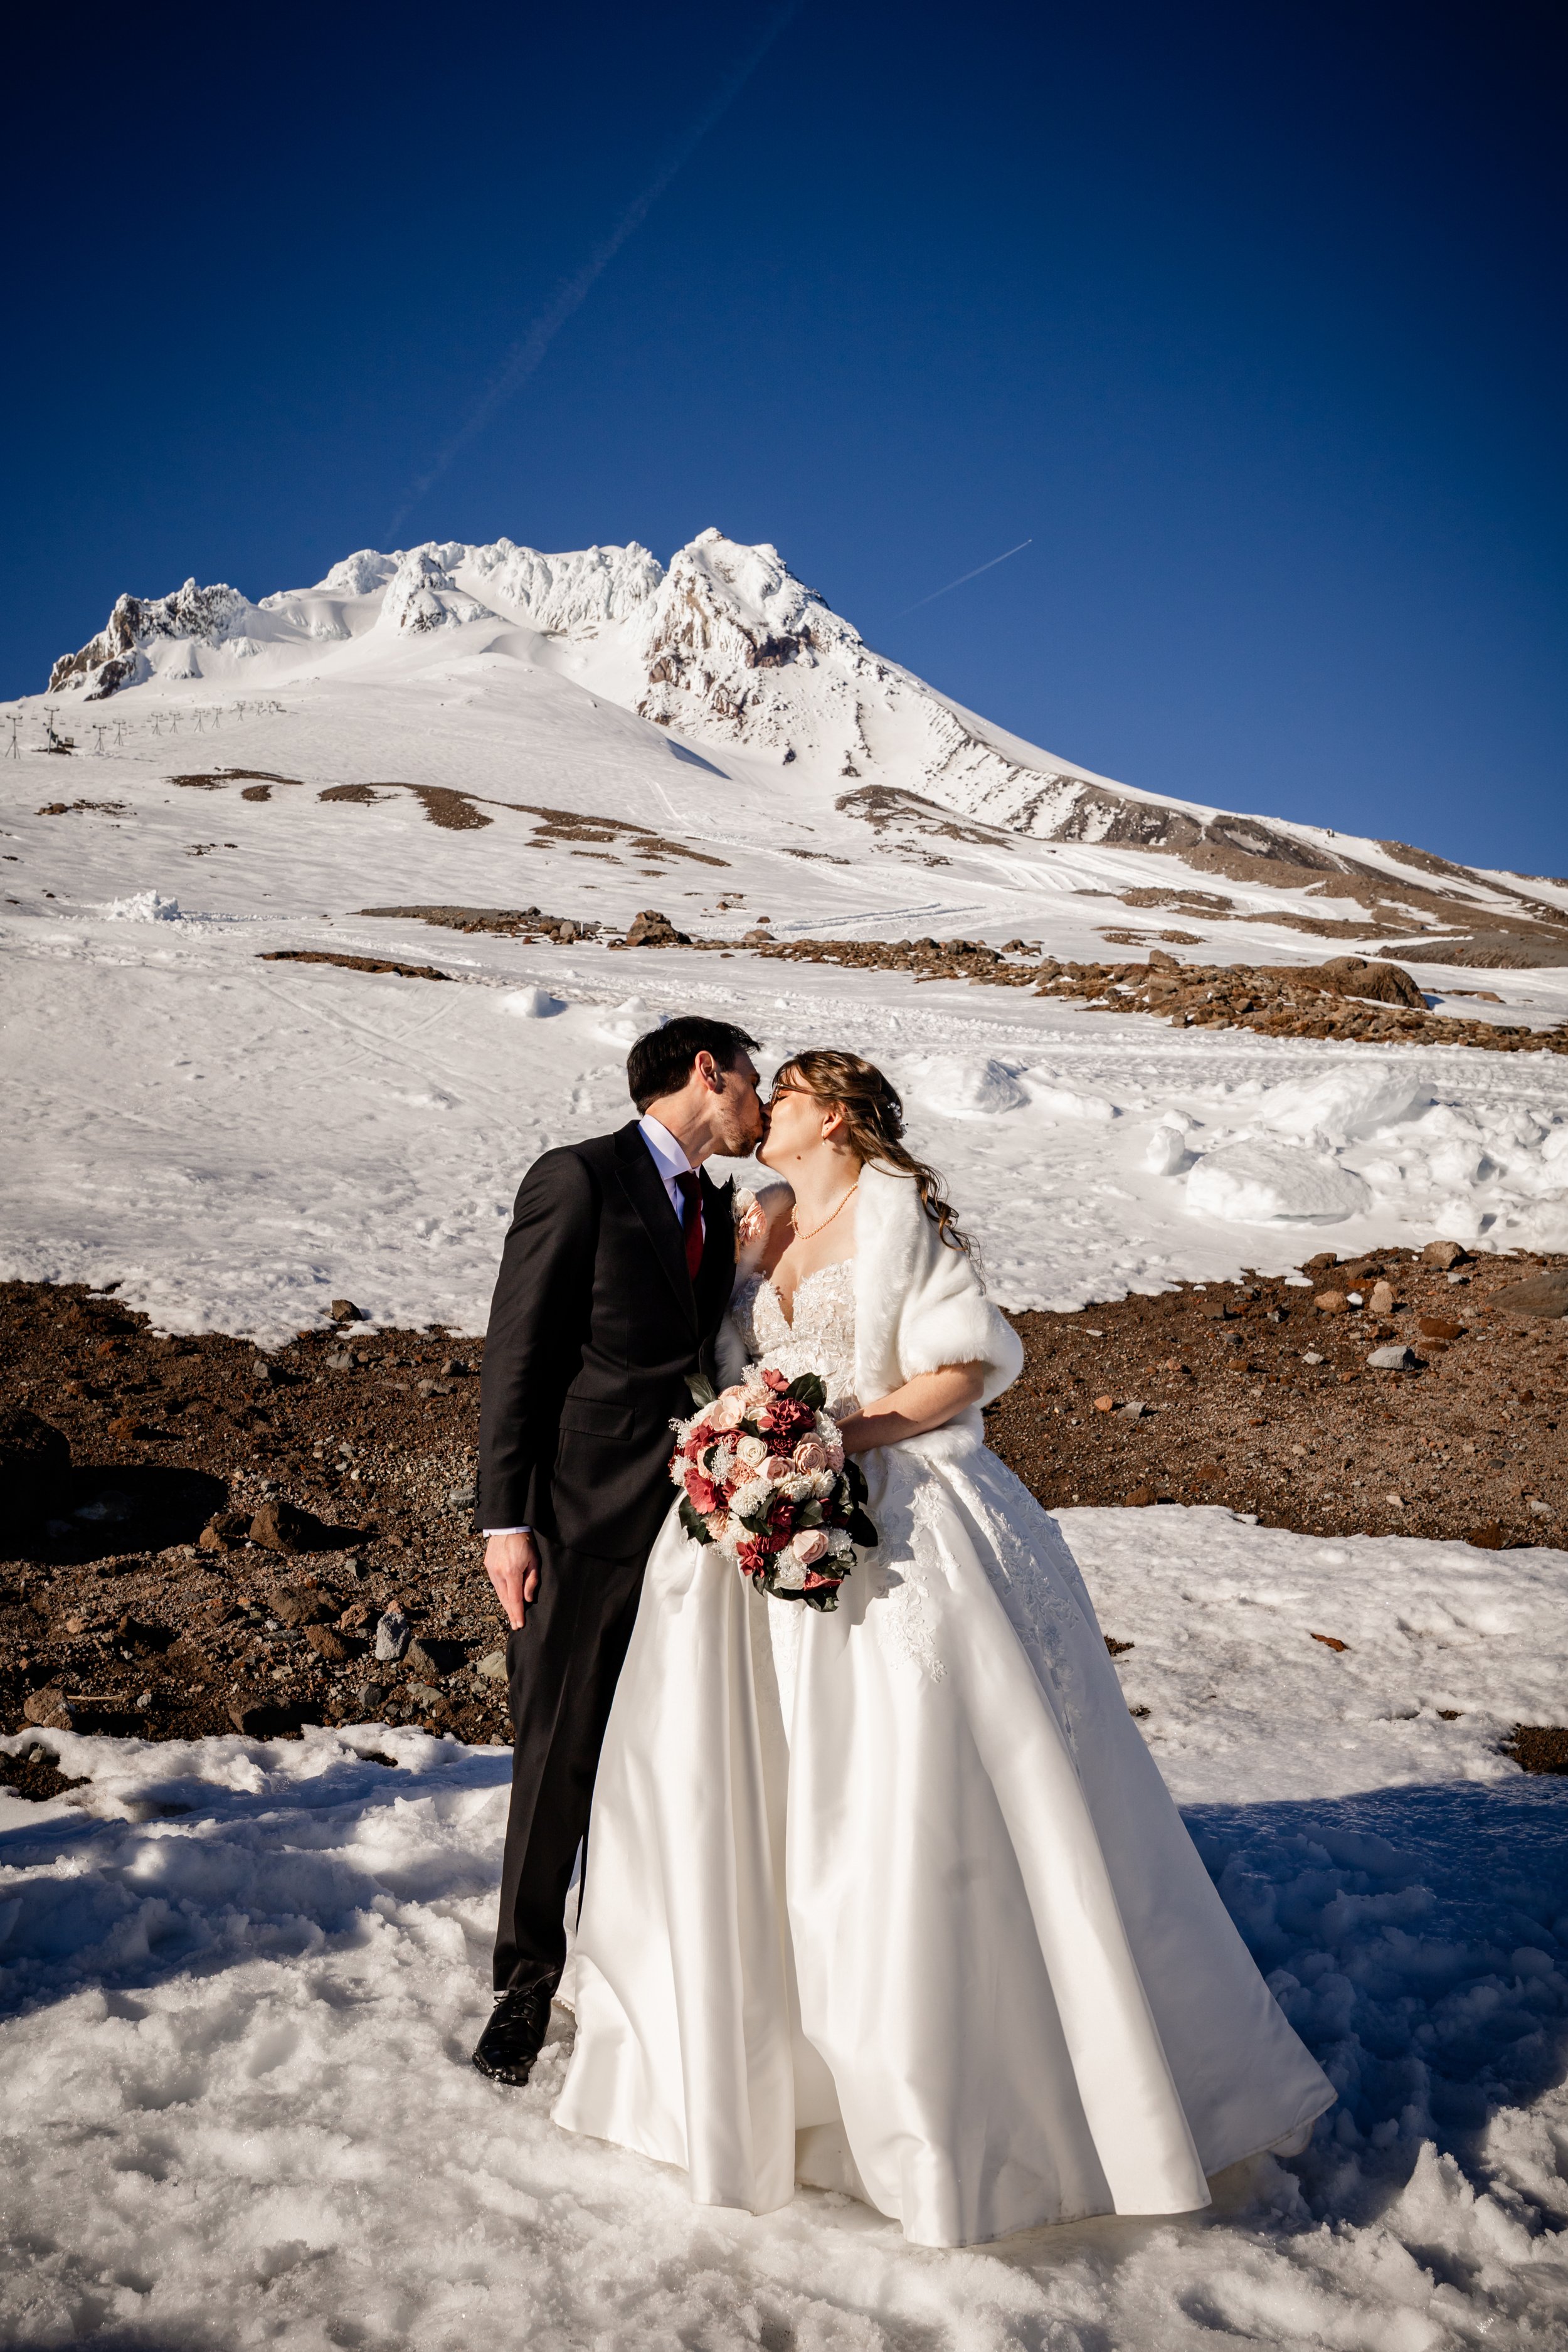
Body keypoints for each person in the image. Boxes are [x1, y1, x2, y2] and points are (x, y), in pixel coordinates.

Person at [551, 1049, 1335, 2247]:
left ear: (836, 1116)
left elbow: (965, 1371)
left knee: (904, 1797)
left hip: (897, 1509)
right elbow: (738, 1368)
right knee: (739, 1799)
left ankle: (954, 2108)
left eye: (791, 1096)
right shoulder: (762, 1219)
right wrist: (748, 1442)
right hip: (764, 1526)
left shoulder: (896, 1212)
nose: (769, 1109)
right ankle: (764, 2070)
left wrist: (835, 1432)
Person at [470, 1015, 765, 2087]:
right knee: (556, 1753)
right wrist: (506, 1520)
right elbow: (518, 1353)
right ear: (706, 1073)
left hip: (689, 1527)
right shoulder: (579, 1177)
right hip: (576, 1517)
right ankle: (524, 1981)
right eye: (751, 1080)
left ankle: (632, 1963)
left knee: (659, 1752)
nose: (760, 1103)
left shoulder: (715, 1201)